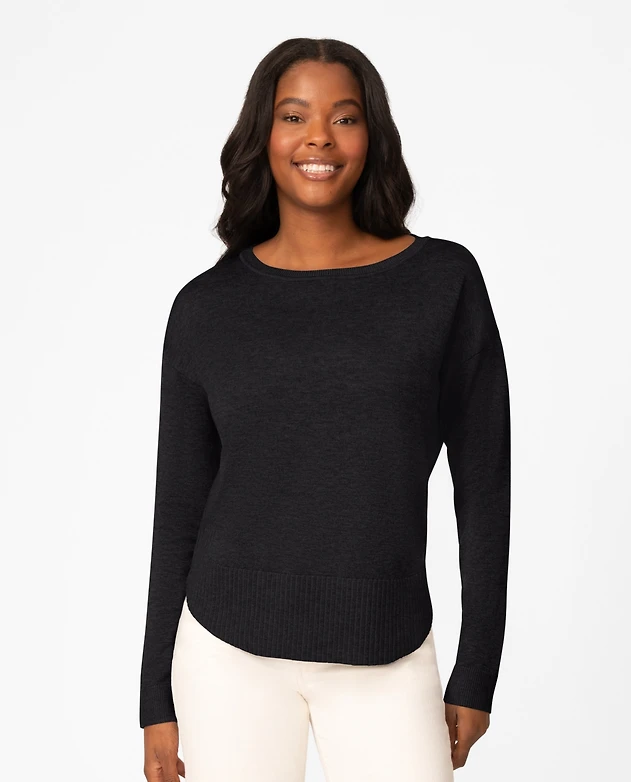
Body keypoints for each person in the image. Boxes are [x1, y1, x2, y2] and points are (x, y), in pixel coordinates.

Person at [140, 37, 511, 782]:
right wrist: (155, 698)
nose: (319, 138)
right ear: (264, 135)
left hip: (386, 647)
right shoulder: (207, 308)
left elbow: (485, 488)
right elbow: (178, 508)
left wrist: (476, 672)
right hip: (226, 654)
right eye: (294, 116)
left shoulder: (442, 283)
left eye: (344, 118)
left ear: (372, 137)